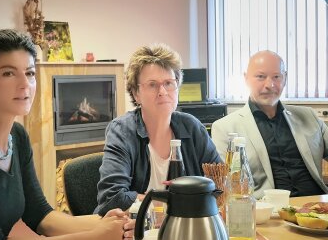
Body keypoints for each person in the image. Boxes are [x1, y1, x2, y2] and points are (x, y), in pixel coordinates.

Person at [0, 29, 134, 240]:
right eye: (8, 73)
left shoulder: (17, 136)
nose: (24, 84)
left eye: (29, 73)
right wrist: (95, 239)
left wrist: (104, 223)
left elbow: (40, 215)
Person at [94, 43, 222, 216]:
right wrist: (172, 204)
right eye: (153, 85)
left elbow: (220, 183)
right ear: (136, 93)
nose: (162, 91)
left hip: (186, 228)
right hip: (136, 233)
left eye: (169, 83)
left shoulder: (192, 127)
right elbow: (112, 198)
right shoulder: (122, 131)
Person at [211, 50, 328, 199]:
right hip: (266, 212)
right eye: (261, 77)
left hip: (316, 206)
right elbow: (226, 185)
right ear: (246, 79)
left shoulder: (308, 116)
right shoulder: (225, 128)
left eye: (276, 77)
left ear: (284, 79)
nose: (270, 85)